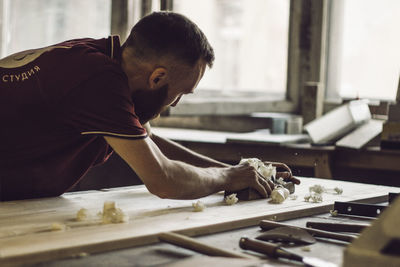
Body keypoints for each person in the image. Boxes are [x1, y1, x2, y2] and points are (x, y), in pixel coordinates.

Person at [0, 11, 298, 201]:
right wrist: (230, 177)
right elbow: (163, 180)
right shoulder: (97, 79)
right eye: (180, 93)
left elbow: (147, 141)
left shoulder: (99, 57)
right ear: (157, 77)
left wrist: (240, 172)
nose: (175, 104)